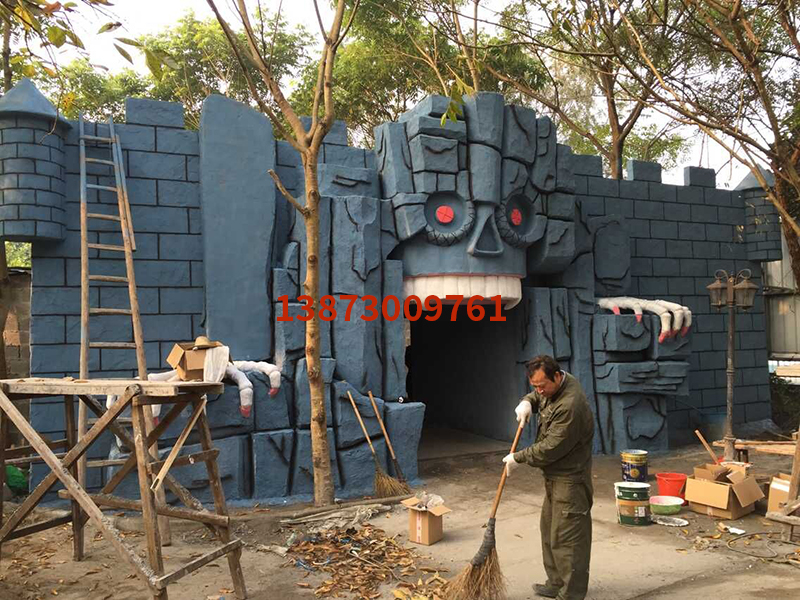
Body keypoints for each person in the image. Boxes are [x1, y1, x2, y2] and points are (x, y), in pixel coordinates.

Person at [502, 355, 594, 600]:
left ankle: (571, 594)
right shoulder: (554, 386)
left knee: (568, 539)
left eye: (542, 386)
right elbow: (538, 395)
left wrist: (519, 458)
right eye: (535, 386)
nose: (540, 391)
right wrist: (527, 401)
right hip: (554, 476)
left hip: (570, 479)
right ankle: (556, 583)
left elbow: (552, 447)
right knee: (550, 533)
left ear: (557, 376)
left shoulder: (570, 405)